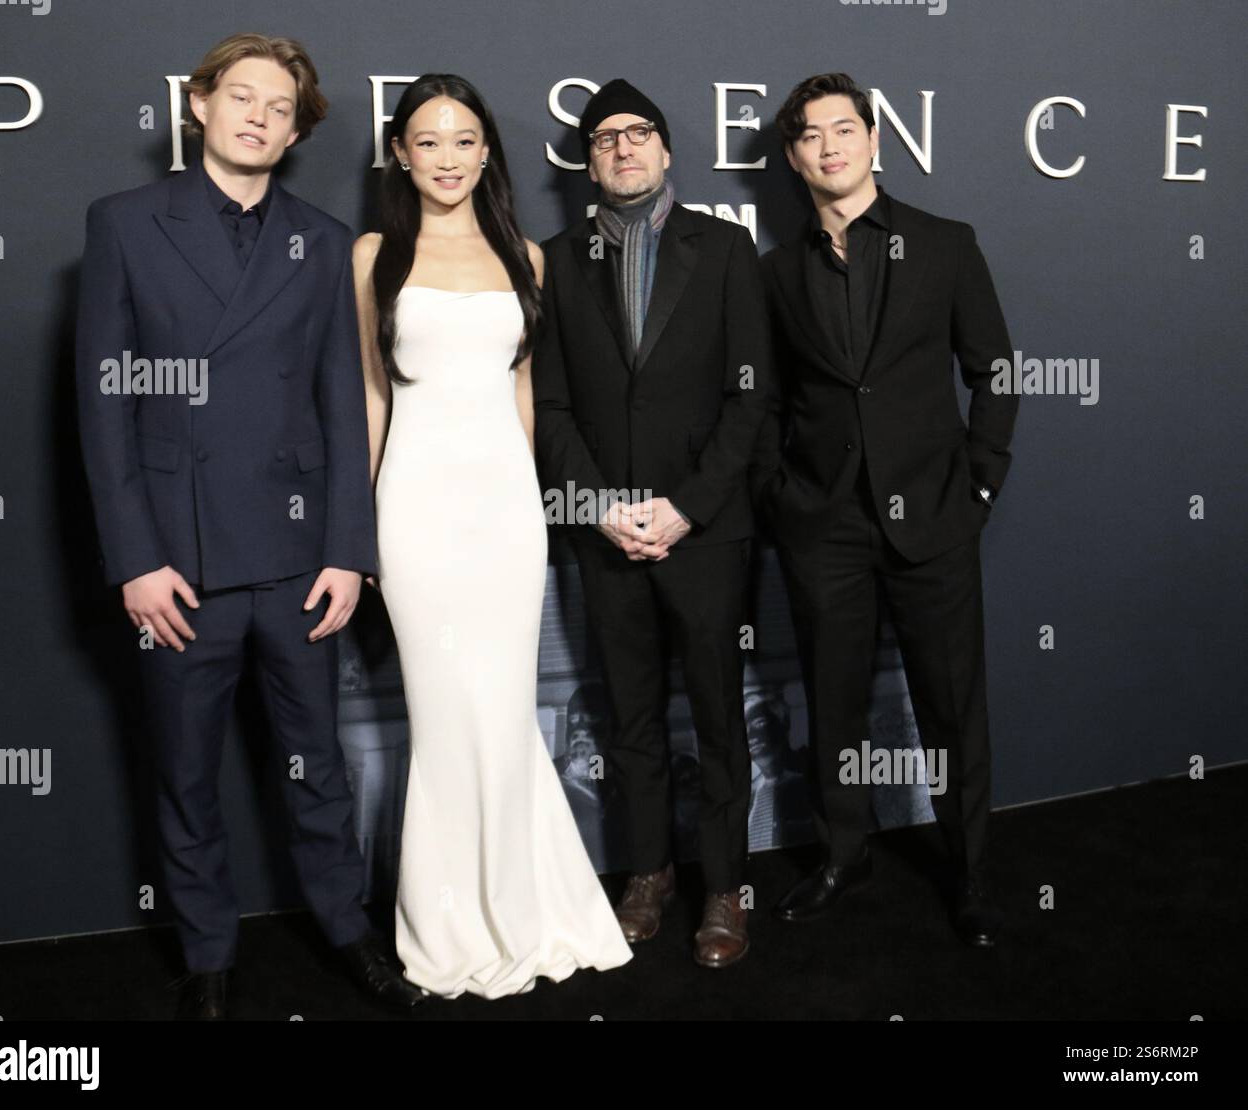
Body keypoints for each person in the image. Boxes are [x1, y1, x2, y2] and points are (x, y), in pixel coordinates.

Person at [74, 33, 423, 1018]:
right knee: (187, 778)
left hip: (294, 557)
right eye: (242, 97)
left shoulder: (318, 239)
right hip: (175, 563)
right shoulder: (125, 224)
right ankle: (209, 958)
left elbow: (342, 408)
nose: (260, 115)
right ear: (200, 106)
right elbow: (102, 403)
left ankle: (348, 931)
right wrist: (135, 559)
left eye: (280, 106)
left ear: (296, 130)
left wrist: (348, 553)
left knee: (315, 771)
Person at [353, 74, 633, 999]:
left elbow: (522, 394)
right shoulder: (370, 256)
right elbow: (370, 396)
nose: (446, 158)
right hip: (416, 509)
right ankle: (446, 927)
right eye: (427, 141)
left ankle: (529, 908)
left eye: (464, 140)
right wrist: (358, 526)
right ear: (401, 152)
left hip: (506, 514)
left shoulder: (526, 256)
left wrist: (529, 507)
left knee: (506, 713)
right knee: (442, 722)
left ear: (486, 152)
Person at [751, 72, 1018, 947]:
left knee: (953, 708)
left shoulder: (944, 244)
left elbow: (995, 372)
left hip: (934, 519)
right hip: (824, 526)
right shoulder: (776, 272)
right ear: (792, 157)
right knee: (835, 703)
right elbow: (768, 401)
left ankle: (973, 874)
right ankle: (844, 853)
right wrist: (784, 498)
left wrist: (978, 485)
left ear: (873, 139)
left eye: (844, 129)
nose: (829, 146)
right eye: (810, 136)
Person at [532, 79, 771, 968]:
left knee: (717, 717)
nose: (622, 148)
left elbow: (754, 398)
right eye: (604, 139)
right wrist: (599, 507)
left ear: (668, 151)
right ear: (587, 161)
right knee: (628, 715)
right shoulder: (556, 260)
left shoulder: (726, 250)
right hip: (606, 534)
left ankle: (722, 886)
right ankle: (646, 874)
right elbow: (549, 405)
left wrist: (688, 506)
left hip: (704, 531)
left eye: (639, 134)